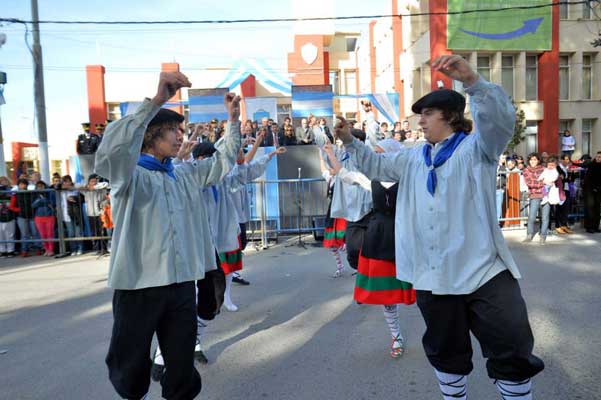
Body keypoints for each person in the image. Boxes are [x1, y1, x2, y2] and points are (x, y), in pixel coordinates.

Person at [334, 55, 543, 400]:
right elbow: (376, 165)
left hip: (483, 270)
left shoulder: (479, 149)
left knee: (511, 346)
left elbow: (500, 123)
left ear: (450, 115)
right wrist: (349, 141)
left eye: (428, 114)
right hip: (433, 274)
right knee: (446, 351)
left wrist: (473, 81)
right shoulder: (414, 156)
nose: (421, 121)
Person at [96, 71, 242, 400]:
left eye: (180, 130)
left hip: (179, 288)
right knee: (130, 365)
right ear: (150, 137)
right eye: (171, 132)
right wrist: (157, 100)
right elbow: (110, 153)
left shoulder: (184, 175)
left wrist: (233, 122)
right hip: (138, 288)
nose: (180, 137)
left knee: (181, 367)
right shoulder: (128, 177)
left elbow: (223, 162)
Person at [522, 153, 549, 244]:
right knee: (532, 217)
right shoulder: (526, 170)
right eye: (531, 160)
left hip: (546, 195)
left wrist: (544, 182)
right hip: (534, 195)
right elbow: (530, 183)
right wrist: (542, 183)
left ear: (538, 160)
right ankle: (529, 235)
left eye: (535, 159)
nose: (533, 161)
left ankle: (543, 235)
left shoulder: (544, 169)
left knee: (545, 217)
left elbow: (550, 180)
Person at [31, 181, 56, 256]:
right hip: (38, 217)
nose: (40, 187)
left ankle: (51, 249)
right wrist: (39, 200)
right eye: (38, 186)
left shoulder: (50, 193)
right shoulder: (34, 194)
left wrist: (44, 200)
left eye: (42, 186)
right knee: (43, 235)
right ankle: (46, 249)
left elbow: (53, 203)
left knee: (50, 234)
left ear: (44, 186)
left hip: (49, 216)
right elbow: (33, 205)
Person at [583, 151, 601, 233]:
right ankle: (589, 226)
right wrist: (593, 187)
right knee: (590, 208)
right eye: (597, 156)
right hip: (590, 190)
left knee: (597, 208)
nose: (598, 158)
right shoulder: (591, 165)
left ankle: (596, 226)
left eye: (600, 157)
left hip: (599, 190)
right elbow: (588, 179)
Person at [0, 177, 19, 257]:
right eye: (2, 181)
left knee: (10, 234)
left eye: (5, 180)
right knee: (1, 235)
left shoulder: (12, 190)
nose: (4, 182)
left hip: (10, 215)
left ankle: (10, 250)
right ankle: (2, 251)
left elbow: (14, 200)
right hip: (0, 215)